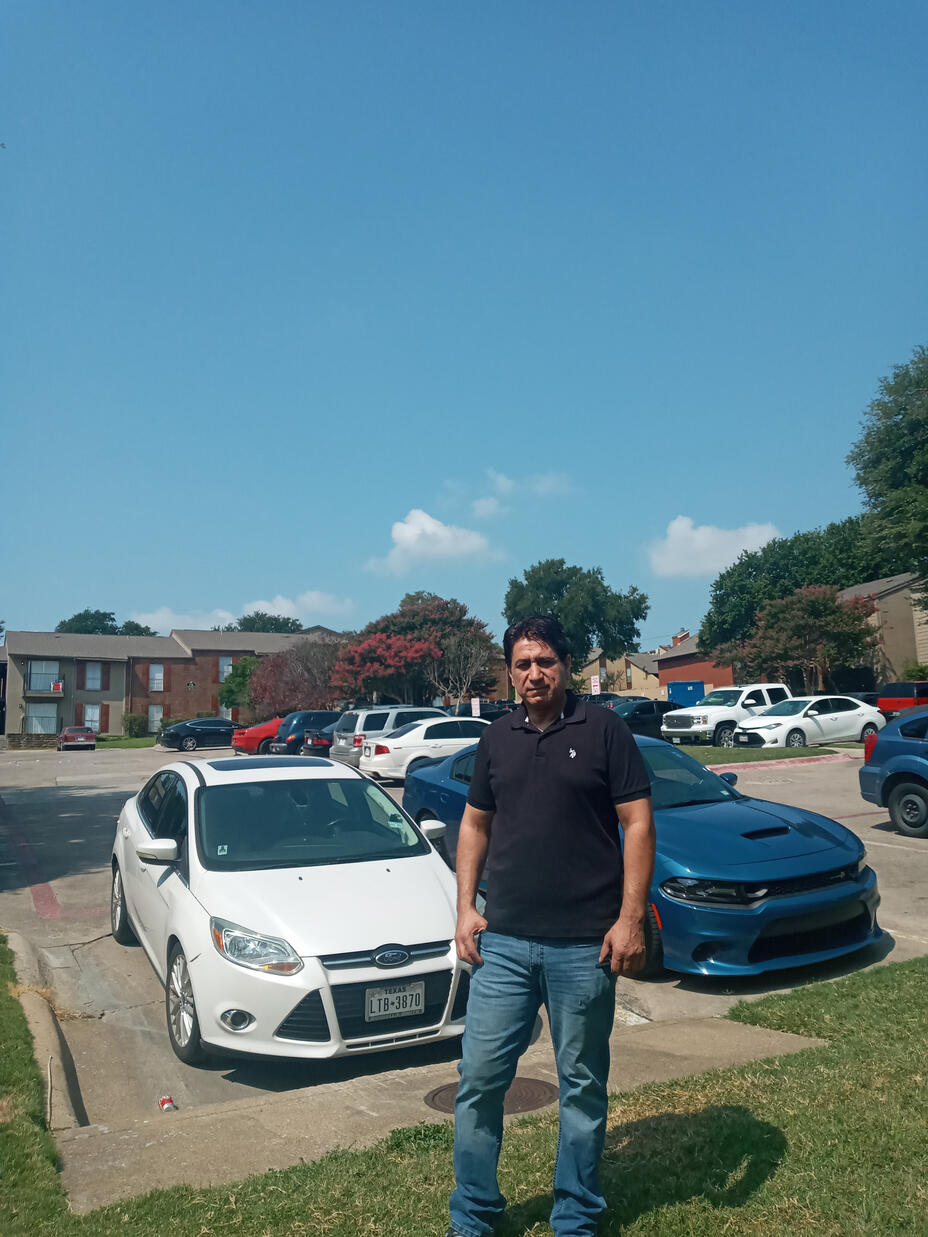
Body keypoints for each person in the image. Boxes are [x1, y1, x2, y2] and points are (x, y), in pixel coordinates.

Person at [446, 615, 655, 1237]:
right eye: (522, 664)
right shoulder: (497, 737)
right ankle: (475, 1215)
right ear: (509, 673)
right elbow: (474, 825)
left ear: (566, 665)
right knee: (479, 1080)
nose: (534, 673)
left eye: (544, 661)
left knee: (582, 1085)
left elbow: (637, 824)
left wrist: (629, 920)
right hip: (503, 943)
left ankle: (576, 1217)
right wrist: (464, 906)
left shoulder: (605, 731)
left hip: (583, 947)